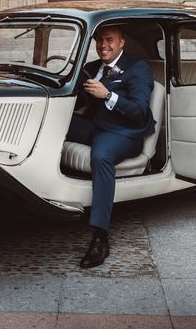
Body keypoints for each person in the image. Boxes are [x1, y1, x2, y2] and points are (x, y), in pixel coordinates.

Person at [67, 26, 156, 268]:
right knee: (52, 125)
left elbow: (140, 112)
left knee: (101, 156)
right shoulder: (93, 68)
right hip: (97, 126)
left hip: (125, 133)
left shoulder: (137, 68)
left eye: (109, 40)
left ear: (122, 42)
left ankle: (100, 236)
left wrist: (108, 95)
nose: (103, 45)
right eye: (99, 40)